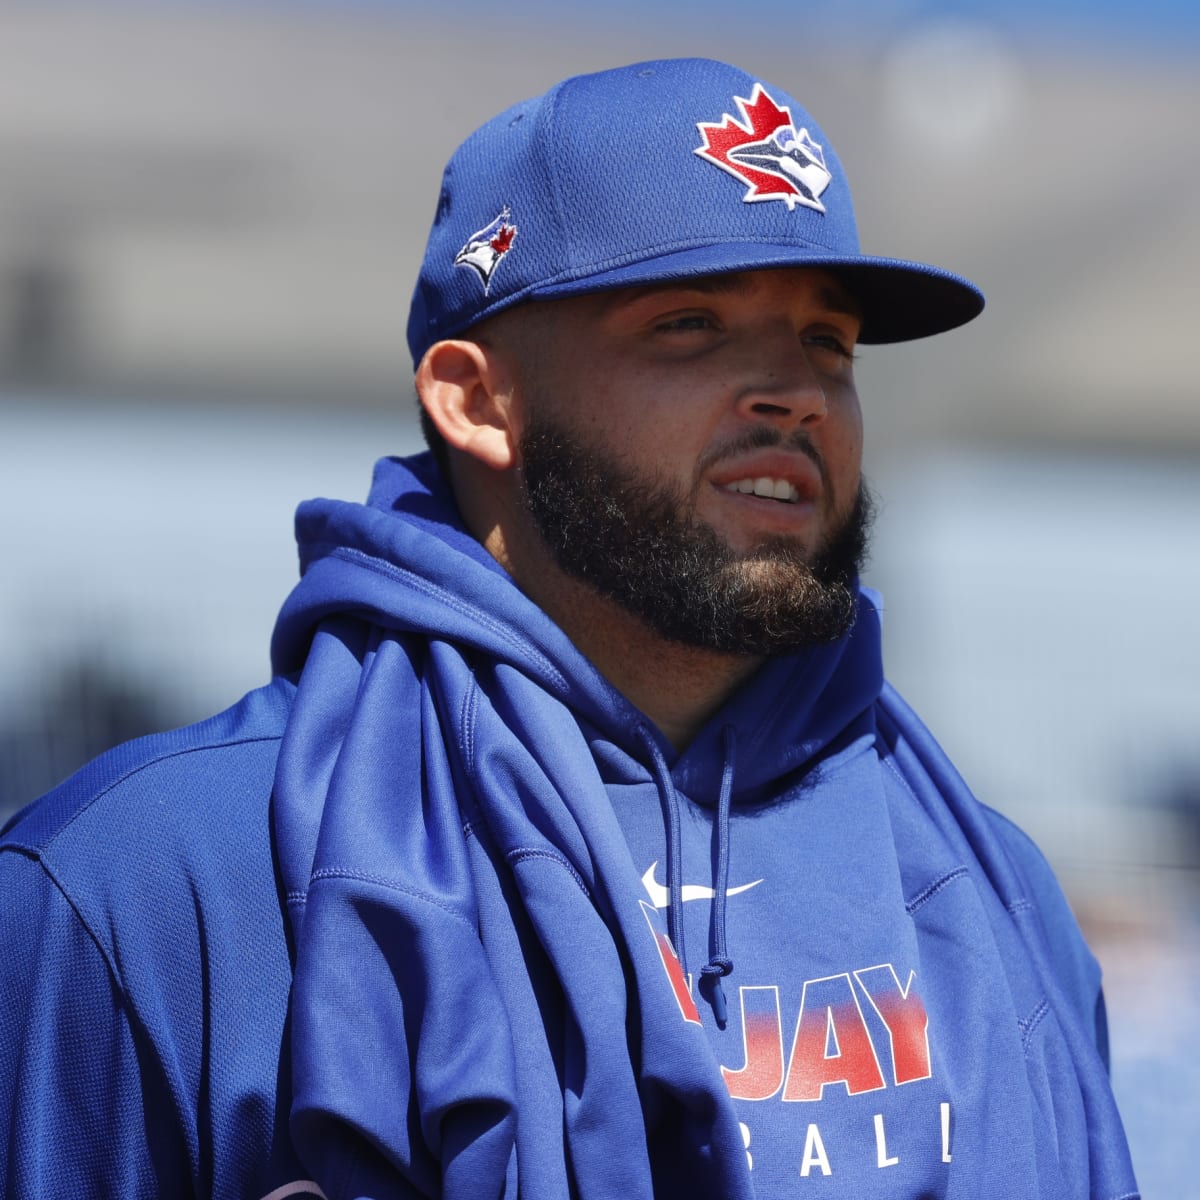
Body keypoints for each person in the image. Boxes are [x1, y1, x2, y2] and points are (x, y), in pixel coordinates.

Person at [0, 58, 1138, 1200]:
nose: (793, 392)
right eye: (689, 325)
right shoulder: (154, 877)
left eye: (827, 343)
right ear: (476, 400)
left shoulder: (991, 892)